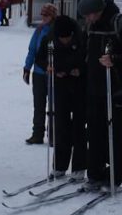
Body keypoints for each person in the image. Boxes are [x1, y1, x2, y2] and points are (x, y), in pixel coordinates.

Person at [78, 0, 122, 192]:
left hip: (118, 88)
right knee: (94, 132)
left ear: (99, 11)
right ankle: (94, 174)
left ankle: (115, 177)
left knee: (116, 134)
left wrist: (115, 60)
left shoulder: (120, 23)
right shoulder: (91, 26)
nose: (88, 19)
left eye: (90, 15)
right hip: (95, 88)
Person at [35, 14, 87, 179]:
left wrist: (80, 70)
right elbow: (40, 59)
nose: (65, 41)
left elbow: (88, 60)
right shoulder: (49, 39)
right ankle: (59, 165)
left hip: (79, 87)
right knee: (61, 126)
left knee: (79, 127)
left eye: (67, 38)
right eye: (62, 39)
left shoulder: (81, 38)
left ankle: (79, 166)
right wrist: (50, 68)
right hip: (60, 85)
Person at [22, 3, 58, 145]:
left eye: (46, 15)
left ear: (52, 16)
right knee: (39, 105)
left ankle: (53, 134)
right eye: (42, 15)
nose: (43, 18)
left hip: (53, 72)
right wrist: (27, 68)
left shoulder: (57, 30)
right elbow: (32, 49)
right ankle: (37, 133)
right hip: (38, 72)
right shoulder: (39, 30)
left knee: (54, 105)